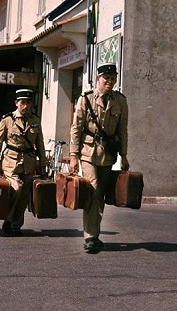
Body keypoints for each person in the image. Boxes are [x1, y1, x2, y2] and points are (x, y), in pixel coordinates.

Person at [69, 63, 130, 253]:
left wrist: (124, 155)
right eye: (106, 79)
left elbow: (122, 130)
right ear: (98, 79)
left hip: (108, 155)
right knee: (93, 190)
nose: (110, 82)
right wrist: (73, 156)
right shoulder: (85, 100)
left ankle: (94, 233)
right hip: (88, 152)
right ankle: (90, 237)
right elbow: (76, 129)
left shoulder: (120, 101)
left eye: (113, 78)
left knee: (101, 195)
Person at [0, 89, 47, 236]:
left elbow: (40, 143)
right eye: (23, 103)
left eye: (28, 103)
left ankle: (16, 225)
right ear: (16, 103)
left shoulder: (35, 120)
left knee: (23, 196)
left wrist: (43, 164)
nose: (26, 106)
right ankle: (8, 220)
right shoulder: (7, 119)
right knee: (16, 187)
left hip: (28, 162)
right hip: (11, 160)